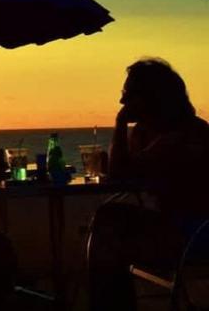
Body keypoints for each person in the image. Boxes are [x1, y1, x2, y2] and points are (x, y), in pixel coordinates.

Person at [88, 58, 209, 311]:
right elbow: (120, 174)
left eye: (129, 94)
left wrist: (120, 123)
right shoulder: (147, 133)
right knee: (108, 225)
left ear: (154, 97)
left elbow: (119, 174)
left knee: (108, 232)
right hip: (173, 225)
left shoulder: (188, 134)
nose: (122, 101)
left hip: (196, 233)